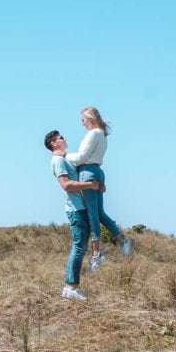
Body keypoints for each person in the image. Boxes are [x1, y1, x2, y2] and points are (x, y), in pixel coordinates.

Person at [62, 106, 133, 271]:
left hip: (87, 172)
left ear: (90, 117)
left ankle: (97, 254)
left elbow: (81, 157)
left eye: (83, 119)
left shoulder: (93, 134)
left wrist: (65, 156)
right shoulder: (102, 134)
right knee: (100, 212)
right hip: (97, 171)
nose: (81, 123)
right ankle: (123, 242)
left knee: (92, 213)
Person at [44, 129, 104, 300]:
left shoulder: (65, 160)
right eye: (60, 138)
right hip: (75, 209)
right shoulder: (57, 161)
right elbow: (66, 185)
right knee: (78, 247)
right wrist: (89, 186)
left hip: (81, 207)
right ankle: (71, 287)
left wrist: (97, 186)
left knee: (81, 247)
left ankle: (71, 287)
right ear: (53, 144)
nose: (64, 139)